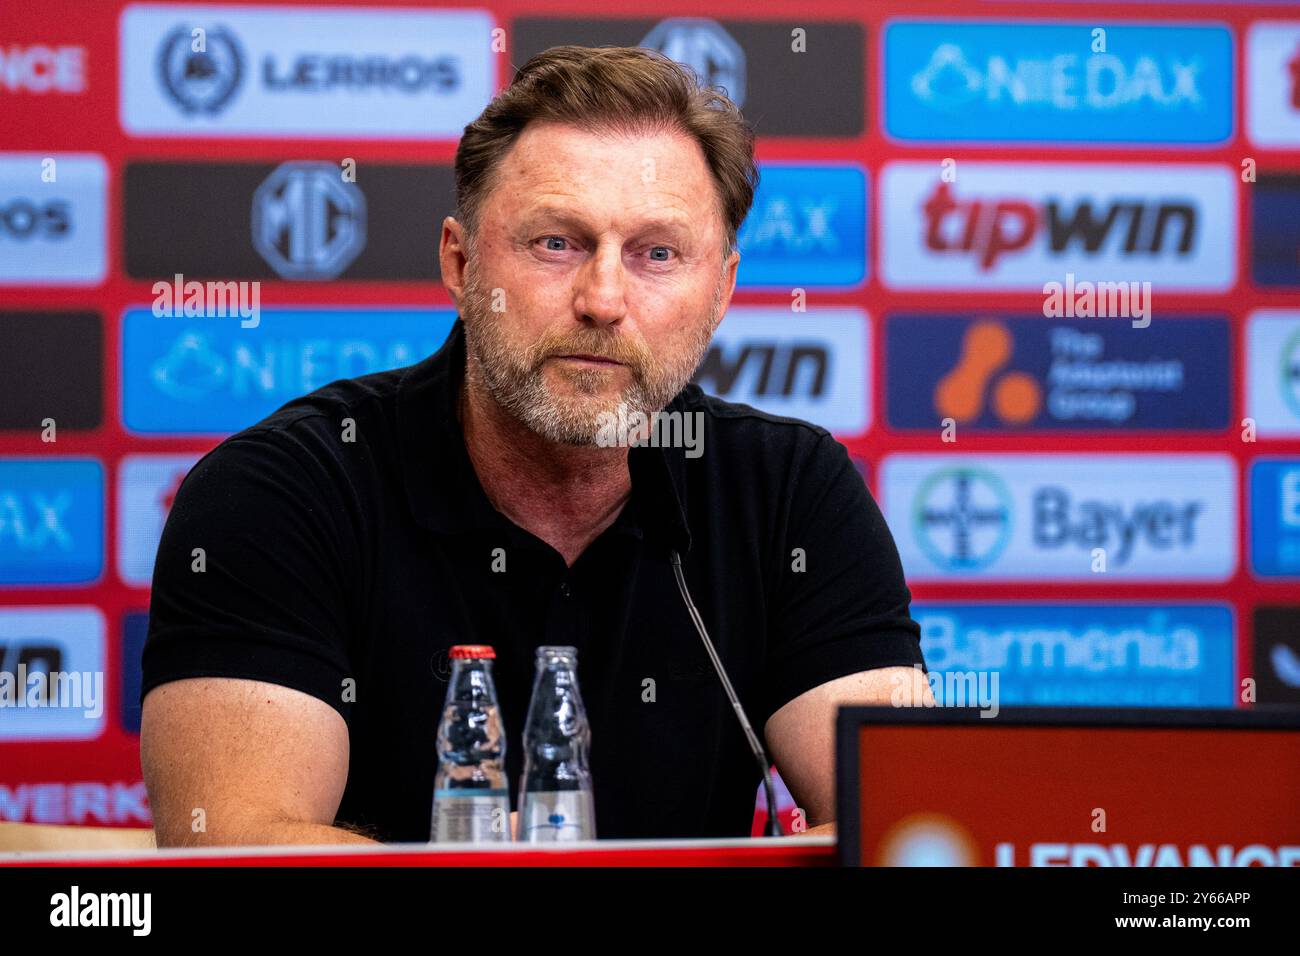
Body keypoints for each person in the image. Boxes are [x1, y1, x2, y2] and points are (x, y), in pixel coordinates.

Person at [140, 45, 932, 847]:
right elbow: (236, 846)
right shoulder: (279, 493)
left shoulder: (791, 490)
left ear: (722, 290)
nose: (603, 300)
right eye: (556, 243)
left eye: (657, 254)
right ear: (459, 262)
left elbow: (908, 827)